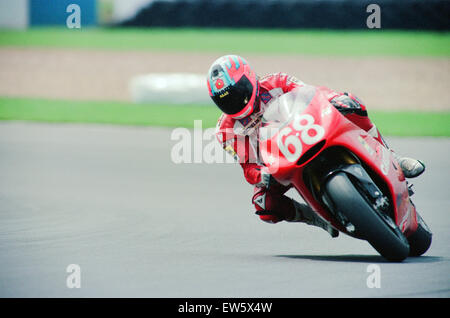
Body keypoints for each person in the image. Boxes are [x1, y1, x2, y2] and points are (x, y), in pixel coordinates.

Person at [206, 55, 425, 237]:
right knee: (263, 203)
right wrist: (260, 175)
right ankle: (315, 217)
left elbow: (314, 95)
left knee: (353, 103)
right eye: (225, 99)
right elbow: (248, 167)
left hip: (310, 131)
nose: (235, 101)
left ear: (250, 78)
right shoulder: (225, 130)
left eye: (238, 91)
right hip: (279, 162)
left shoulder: (277, 81)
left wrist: (335, 98)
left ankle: (393, 158)